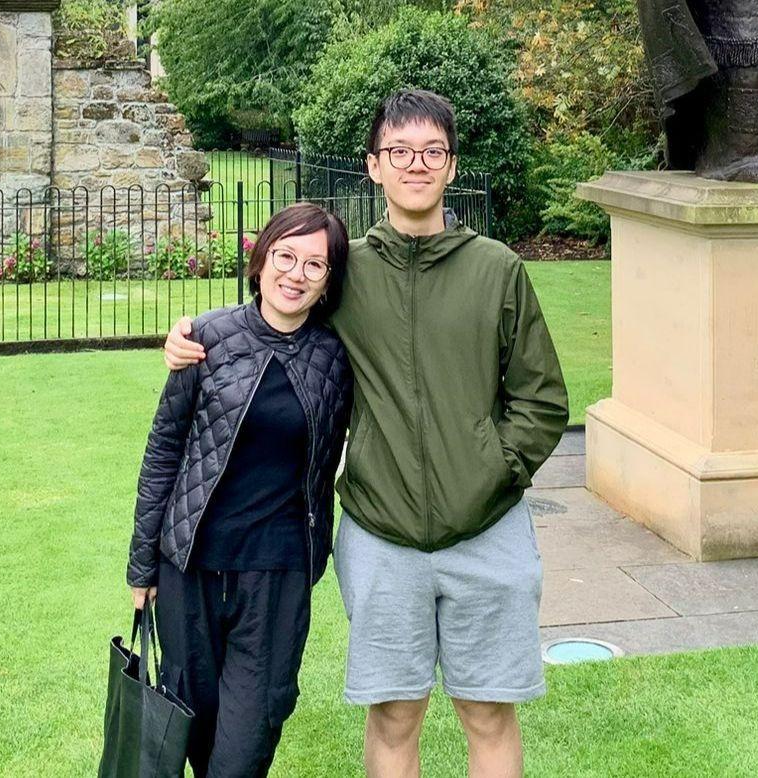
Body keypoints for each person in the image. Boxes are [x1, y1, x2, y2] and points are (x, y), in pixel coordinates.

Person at [163, 90, 568, 778]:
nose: (417, 165)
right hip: (380, 535)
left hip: (490, 530)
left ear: (451, 166)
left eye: (431, 152)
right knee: (394, 714)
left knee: (488, 712)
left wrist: (492, 470)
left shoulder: (496, 268)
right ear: (373, 166)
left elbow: (541, 398)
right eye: (400, 152)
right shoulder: (348, 270)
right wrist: (193, 335)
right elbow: (274, 309)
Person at [127, 202, 353, 777]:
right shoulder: (204, 338)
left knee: (244, 746)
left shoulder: (336, 358)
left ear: (329, 282)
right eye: (286, 256)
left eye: (315, 265)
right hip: (191, 568)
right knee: (193, 732)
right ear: (260, 259)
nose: (295, 275)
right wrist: (141, 567)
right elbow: (163, 453)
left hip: (277, 576)